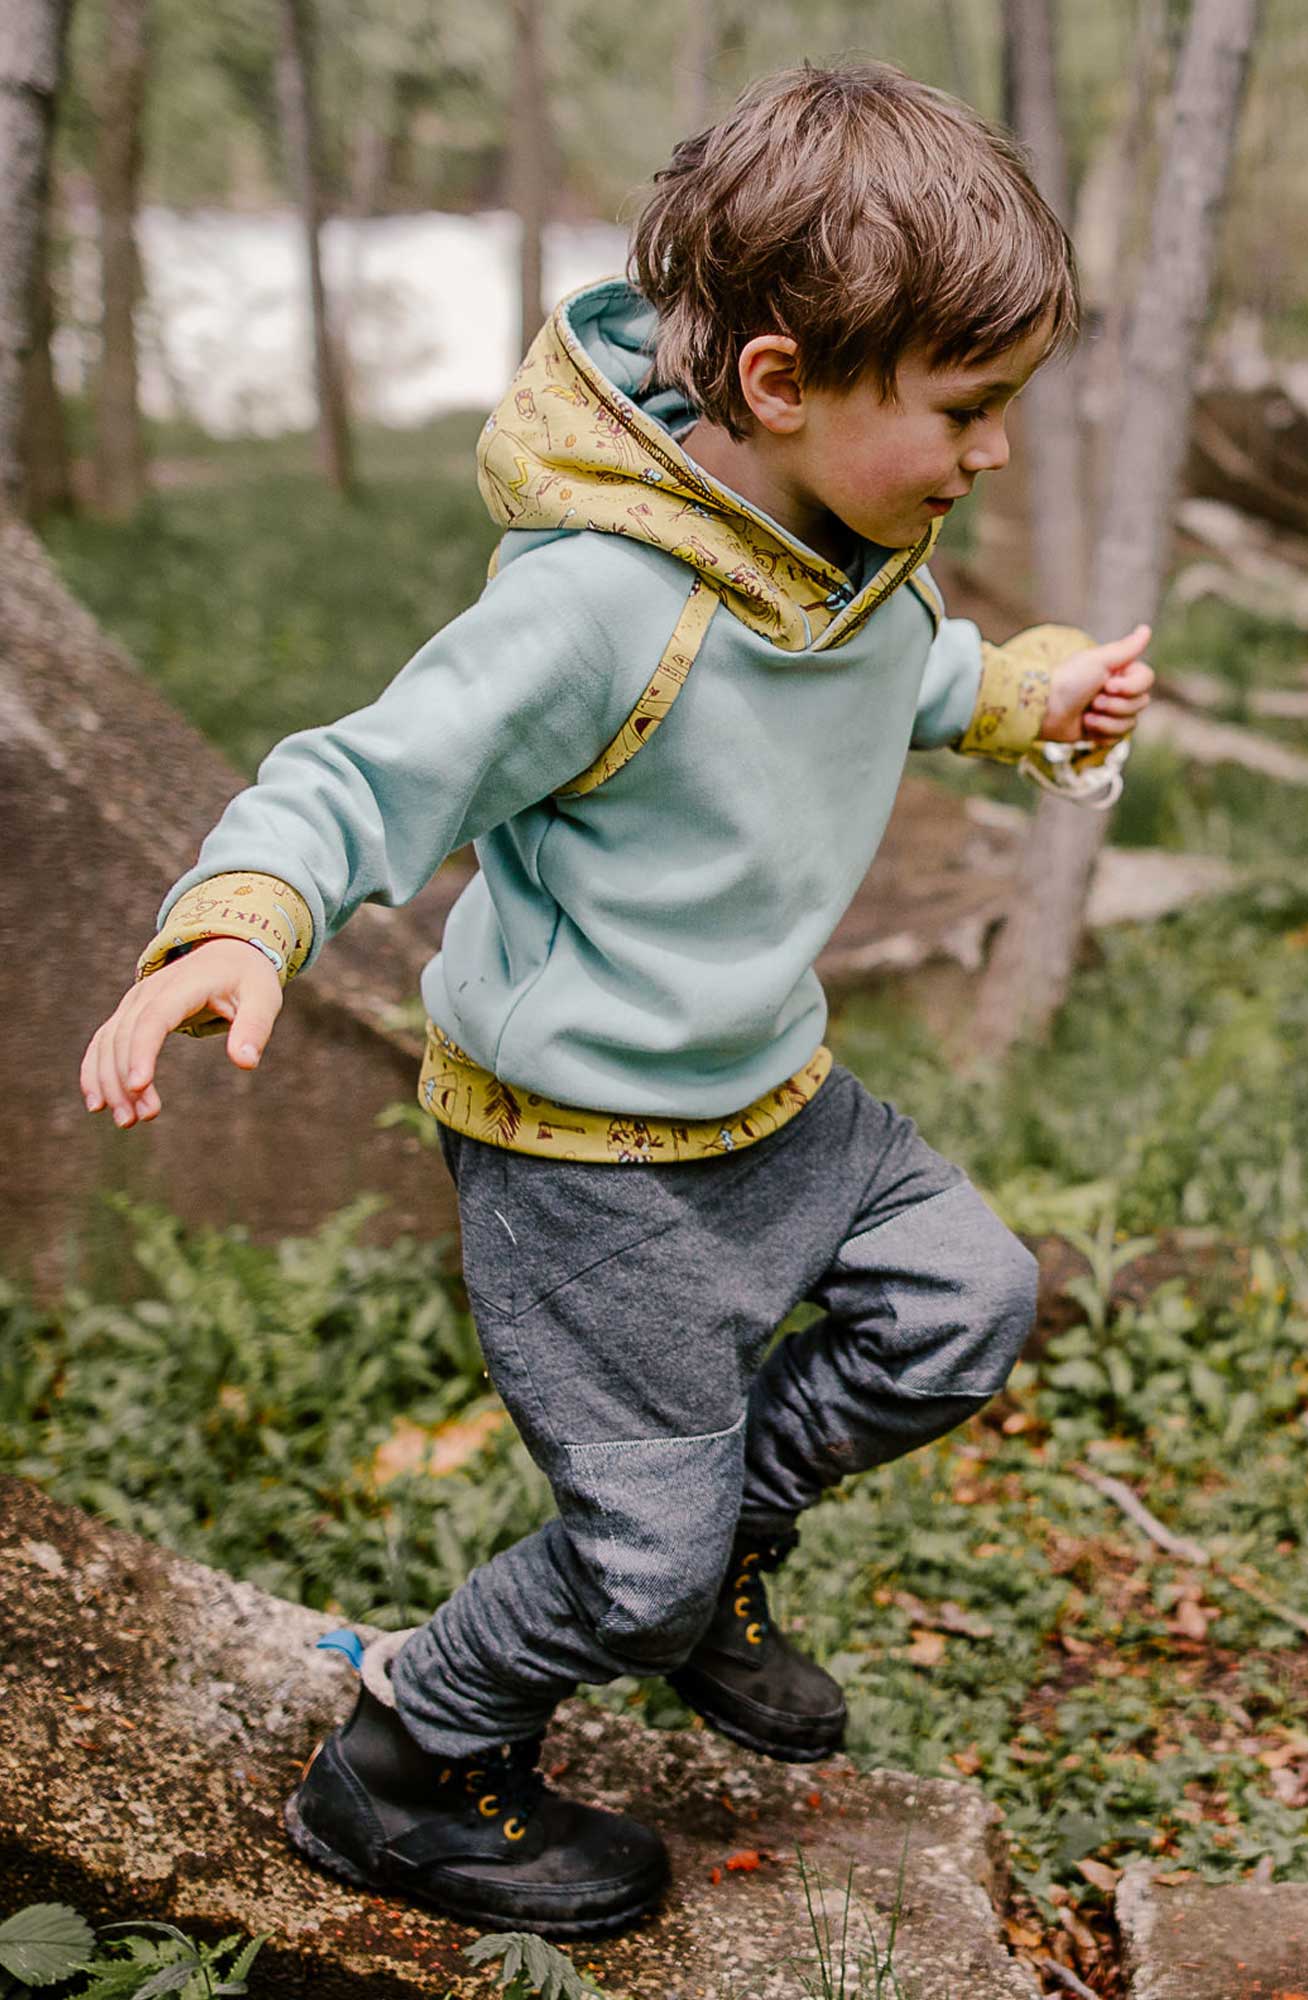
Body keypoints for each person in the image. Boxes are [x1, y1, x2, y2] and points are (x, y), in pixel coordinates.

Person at [77, 57, 1153, 1938]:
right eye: (968, 412)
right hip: (592, 1166)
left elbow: (919, 674)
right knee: (629, 1565)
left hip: (778, 1106)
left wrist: (1038, 690)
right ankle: (410, 1754)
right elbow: (365, 771)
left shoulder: (851, 561)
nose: (989, 454)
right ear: (778, 386)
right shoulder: (598, 607)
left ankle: (727, 1531)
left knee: (968, 1303)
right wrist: (239, 920)